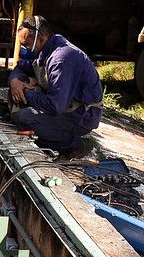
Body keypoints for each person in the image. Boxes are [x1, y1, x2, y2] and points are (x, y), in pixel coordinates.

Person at [8, 15, 103, 156]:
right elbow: (20, 68)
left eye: (26, 45)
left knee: (23, 118)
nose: (24, 48)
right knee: (14, 95)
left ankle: (76, 145)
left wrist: (26, 92)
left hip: (81, 114)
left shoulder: (61, 59)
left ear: (40, 38)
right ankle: (49, 136)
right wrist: (15, 81)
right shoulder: (43, 48)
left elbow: (54, 105)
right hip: (64, 104)